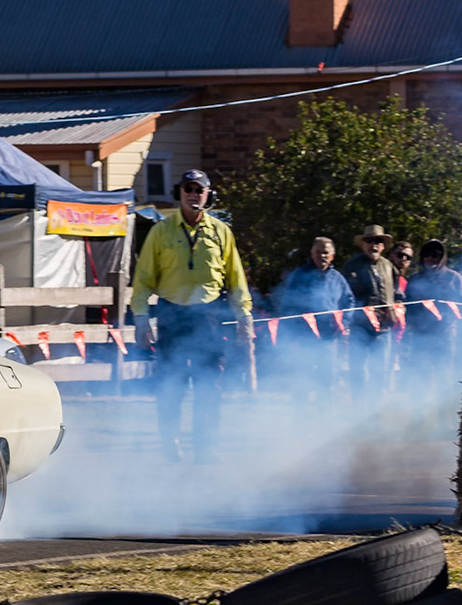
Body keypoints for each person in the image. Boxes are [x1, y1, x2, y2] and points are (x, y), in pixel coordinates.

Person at [129, 169, 252, 462]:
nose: (193, 194)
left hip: (209, 317)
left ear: (208, 195)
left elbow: (235, 279)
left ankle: (205, 448)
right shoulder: (162, 231)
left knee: (210, 387)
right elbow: (144, 278)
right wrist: (142, 319)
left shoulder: (221, 232)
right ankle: (170, 443)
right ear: (179, 193)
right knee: (171, 385)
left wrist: (243, 317)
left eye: (199, 189)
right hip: (172, 315)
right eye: (188, 188)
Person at [271, 236, 354, 399]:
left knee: (327, 379)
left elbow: (349, 300)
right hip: (304, 338)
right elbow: (287, 305)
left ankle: (323, 417)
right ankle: (300, 418)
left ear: (333, 255)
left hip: (329, 338)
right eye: (318, 252)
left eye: (325, 252)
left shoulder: (338, 278)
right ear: (312, 253)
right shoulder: (299, 275)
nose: (322, 256)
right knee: (302, 379)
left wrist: (344, 323)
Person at [341, 226, 397, 393]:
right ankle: (359, 410)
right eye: (369, 240)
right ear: (363, 244)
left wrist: (398, 307)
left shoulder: (388, 266)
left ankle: (377, 411)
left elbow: (397, 291)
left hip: (384, 329)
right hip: (360, 327)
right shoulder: (351, 266)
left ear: (383, 245)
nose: (374, 245)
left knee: (380, 372)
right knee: (358, 373)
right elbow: (344, 296)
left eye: (378, 241)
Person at [402, 239, 462, 376]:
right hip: (420, 333)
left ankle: (444, 396)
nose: (431, 258)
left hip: (445, 332)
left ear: (442, 257)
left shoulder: (453, 277)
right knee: (419, 370)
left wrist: (449, 319)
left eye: (435, 255)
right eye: (427, 255)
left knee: (444, 369)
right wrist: (414, 322)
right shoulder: (415, 279)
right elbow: (406, 306)